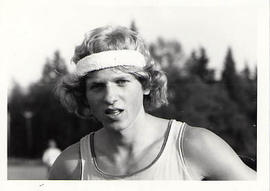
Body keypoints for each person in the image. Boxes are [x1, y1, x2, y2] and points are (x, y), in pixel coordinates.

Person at [49, 25, 256, 180]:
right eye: (97, 86)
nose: (110, 97)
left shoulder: (193, 145)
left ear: (146, 85)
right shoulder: (70, 166)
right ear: (84, 95)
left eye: (122, 82)